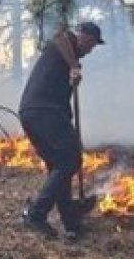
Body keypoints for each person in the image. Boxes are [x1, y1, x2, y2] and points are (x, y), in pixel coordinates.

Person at [18, 21, 104, 240]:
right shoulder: (64, 44)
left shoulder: (67, 57)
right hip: (44, 111)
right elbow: (59, 35)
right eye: (92, 43)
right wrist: (74, 65)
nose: (91, 49)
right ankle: (36, 214)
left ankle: (71, 223)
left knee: (60, 166)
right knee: (69, 161)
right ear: (83, 36)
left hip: (35, 113)